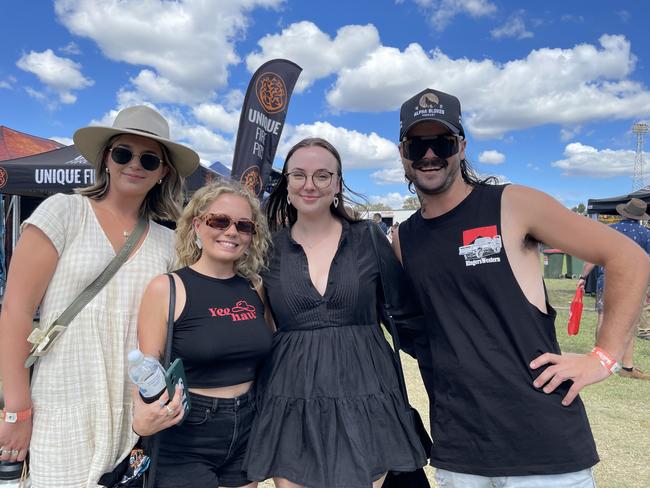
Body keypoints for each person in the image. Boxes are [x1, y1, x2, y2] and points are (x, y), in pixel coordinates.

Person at [392, 88, 650, 487]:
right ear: (403, 153)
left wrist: (604, 357)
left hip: (543, 446)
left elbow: (629, 258)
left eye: (441, 142)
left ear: (461, 146)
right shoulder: (403, 240)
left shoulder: (513, 205)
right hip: (460, 448)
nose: (429, 155)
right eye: (418, 144)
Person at [0, 105, 199, 486]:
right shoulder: (64, 212)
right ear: (106, 158)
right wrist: (16, 410)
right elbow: (16, 312)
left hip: (134, 411)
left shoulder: (169, 242)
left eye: (149, 159)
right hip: (61, 400)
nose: (134, 164)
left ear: (164, 172)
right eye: (123, 153)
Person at [243, 138, 427, 488]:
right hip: (290, 394)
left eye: (322, 175)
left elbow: (405, 318)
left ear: (338, 184)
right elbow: (258, 325)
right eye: (298, 175)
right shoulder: (267, 249)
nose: (309, 184)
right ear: (287, 183)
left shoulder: (369, 238)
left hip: (366, 390)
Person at [132, 181, 272, 488]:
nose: (231, 231)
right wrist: (141, 416)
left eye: (243, 225)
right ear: (197, 225)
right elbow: (146, 366)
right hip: (187, 430)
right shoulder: (167, 288)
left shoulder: (255, 289)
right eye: (219, 221)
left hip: (248, 426)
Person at [577, 198, 650, 379]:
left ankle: (598, 358)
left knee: (603, 316)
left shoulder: (609, 231)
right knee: (628, 322)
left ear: (624, 212)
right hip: (632, 284)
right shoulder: (646, 235)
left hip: (607, 279)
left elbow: (592, 257)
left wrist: (582, 277)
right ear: (640, 216)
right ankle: (627, 367)